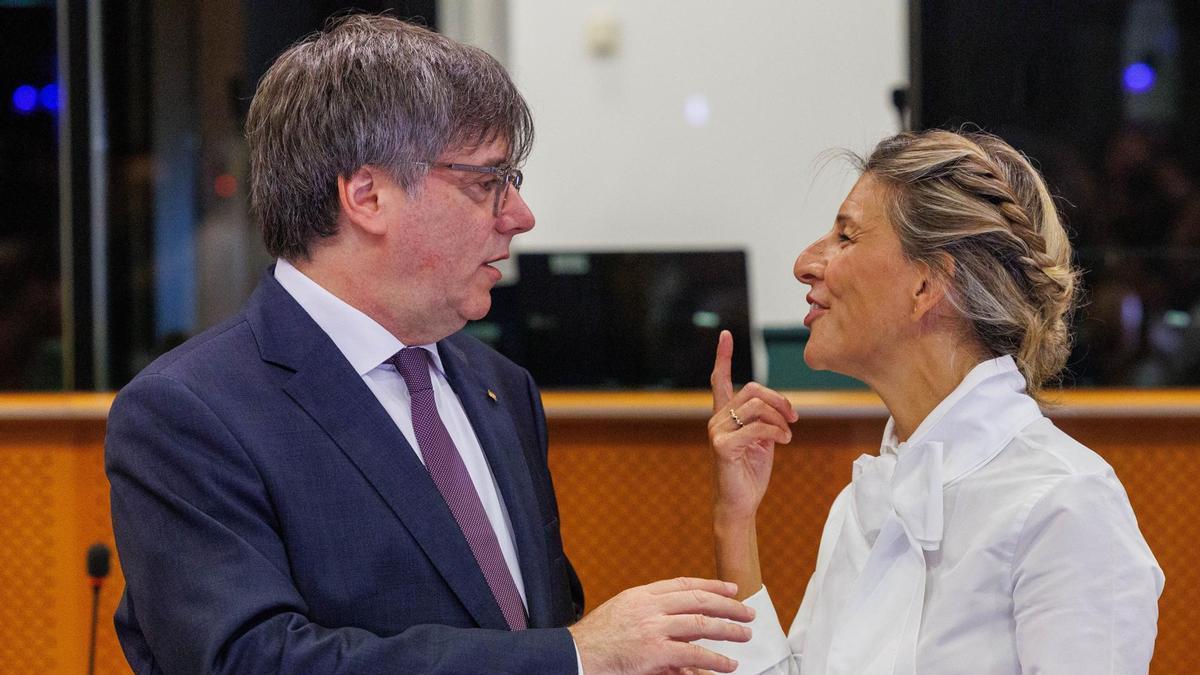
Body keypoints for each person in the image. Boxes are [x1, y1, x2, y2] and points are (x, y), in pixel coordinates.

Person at [106, 15, 754, 675]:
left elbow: (535, 622)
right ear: (367, 195)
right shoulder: (188, 414)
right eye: (486, 182)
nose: (520, 216)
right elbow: (252, 661)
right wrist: (576, 654)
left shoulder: (499, 386)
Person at [701, 130, 1164, 674]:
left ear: (928, 283)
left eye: (846, 237)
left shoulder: (1067, 504)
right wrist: (735, 521)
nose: (805, 262)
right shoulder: (865, 498)